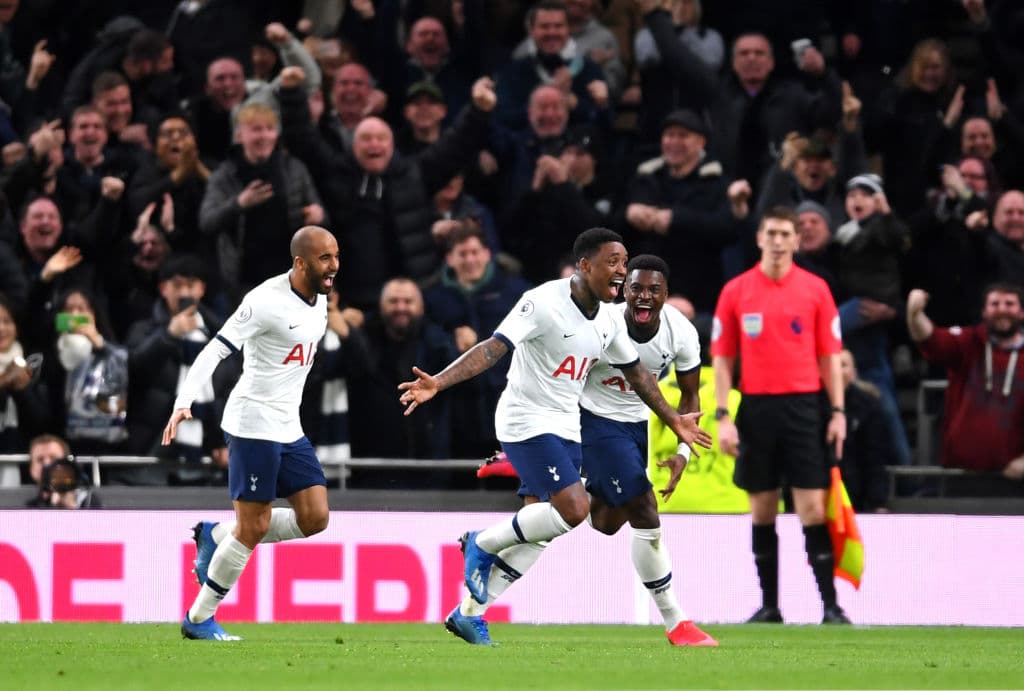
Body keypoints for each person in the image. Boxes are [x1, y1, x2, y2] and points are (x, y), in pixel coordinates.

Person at [398, 227, 711, 645]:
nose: (623, 275)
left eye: (625, 263)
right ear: (584, 266)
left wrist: (674, 423)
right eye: (615, 265)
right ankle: (483, 541)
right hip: (535, 421)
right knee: (583, 509)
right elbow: (494, 348)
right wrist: (438, 381)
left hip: (569, 425)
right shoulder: (542, 303)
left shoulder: (611, 320)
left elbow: (637, 374)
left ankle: (469, 613)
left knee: (571, 525)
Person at [162, 225, 340, 641]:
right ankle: (200, 617)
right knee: (254, 526)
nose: (333, 266)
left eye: (336, 256)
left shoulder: (321, 299)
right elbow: (215, 349)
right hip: (253, 424)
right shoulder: (263, 302)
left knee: (315, 518)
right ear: (300, 263)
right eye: (324, 259)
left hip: (288, 425)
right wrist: (183, 400)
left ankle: (217, 534)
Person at [711, 206, 850, 625]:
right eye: (770, 232)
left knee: (811, 507)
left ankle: (830, 605)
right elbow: (722, 359)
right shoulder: (735, 291)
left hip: (805, 407)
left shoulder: (816, 290)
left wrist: (838, 411)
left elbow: (830, 355)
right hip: (756, 407)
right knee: (762, 508)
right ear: (759, 238)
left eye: (784, 233)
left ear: (796, 240)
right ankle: (770, 605)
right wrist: (723, 415)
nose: (776, 240)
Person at [580, 255, 717, 645]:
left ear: (665, 295)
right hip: (590, 416)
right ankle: (677, 622)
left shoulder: (682, 333)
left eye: (653, 290)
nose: (644, 296)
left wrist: (683, 453)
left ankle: (559, 477)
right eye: (636, 288)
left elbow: (691, 397)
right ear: (623, 291)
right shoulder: (601, 322)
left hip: (635, 423)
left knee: (606, 523)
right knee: (644, 506)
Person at [906, 284, 1024, 480]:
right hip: (960, 474)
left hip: (1015, 478)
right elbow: (929, 338)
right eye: (995, 304)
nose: (1002, 309)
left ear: (1021, 312)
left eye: (1009, 304)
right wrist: (914, 313)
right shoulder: (969, 342)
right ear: (984, 312)